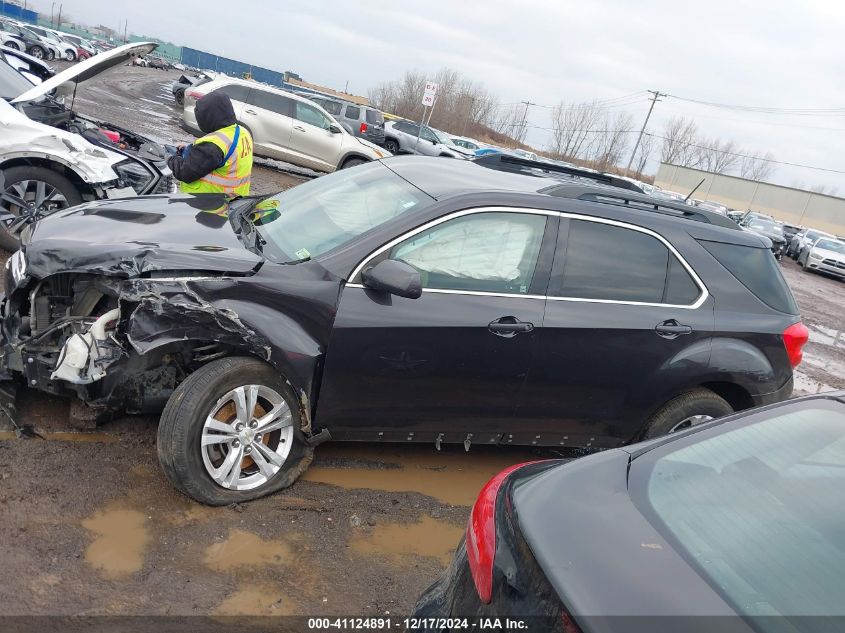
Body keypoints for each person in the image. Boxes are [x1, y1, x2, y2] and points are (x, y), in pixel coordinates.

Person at [168, 91, 253, 196]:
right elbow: (220, 157)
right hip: (235, 200)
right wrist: (189, 150)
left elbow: (184, 172)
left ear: (209, 117)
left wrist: (171, 158)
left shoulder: (214, 145)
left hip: (208, 204)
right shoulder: (242, 132)